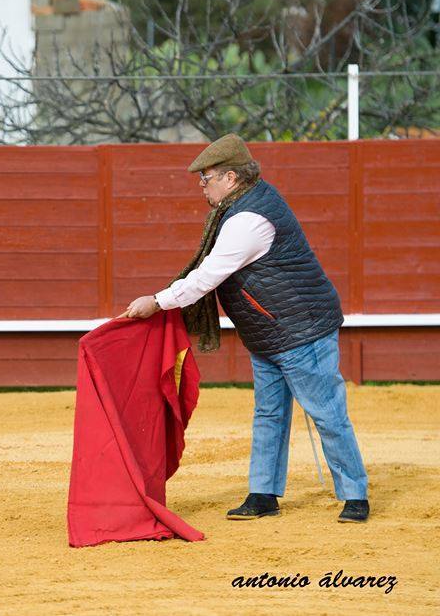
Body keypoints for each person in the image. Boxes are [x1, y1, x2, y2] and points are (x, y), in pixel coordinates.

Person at [119, 133, 369, 523]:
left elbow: (209, 276)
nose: (202, 185)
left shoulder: (248, 219)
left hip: (301, 330)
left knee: (326, 413)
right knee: (269, 414)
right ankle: (263, 494)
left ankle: (355, 495)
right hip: (270, 331)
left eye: (207, 178)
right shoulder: (243, 206)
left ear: (231, 178)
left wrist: (158, 301)